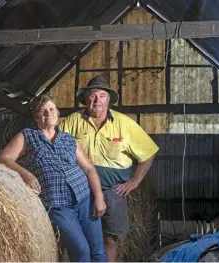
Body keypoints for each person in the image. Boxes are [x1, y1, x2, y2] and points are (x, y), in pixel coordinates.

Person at [58, 75, 159, 262]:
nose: (97, 100)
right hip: (79, 191)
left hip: (113, 191)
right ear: (86, 98)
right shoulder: (72, 121)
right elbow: (56, 149)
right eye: (92, 95)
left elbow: (149, 152)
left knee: (110, 237)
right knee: (76, 236)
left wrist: (134, 182)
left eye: (102, 95)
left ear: (108, 100)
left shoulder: (125, 124)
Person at [0, 94, 108, 262]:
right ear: (36, 117)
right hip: (57, 204)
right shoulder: (27, 136)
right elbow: (4, 158)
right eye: (42, 111)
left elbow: (89, 168)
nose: (48, 114)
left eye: (51, 109)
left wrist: (99, 197)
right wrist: (25, 174)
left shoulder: (69, 139)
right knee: (81, 250)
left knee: (98, 251)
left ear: (57, 113)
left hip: (84, 198)